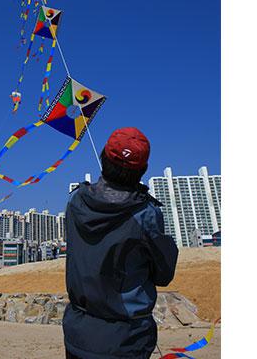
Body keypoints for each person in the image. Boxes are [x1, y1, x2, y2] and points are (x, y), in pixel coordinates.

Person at [63, 127, 179, 359]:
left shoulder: (76, 201)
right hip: (126, 340)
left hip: (78, 335)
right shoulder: (145, 214)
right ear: (143, 170)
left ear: (103, 158)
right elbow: (163, 274)